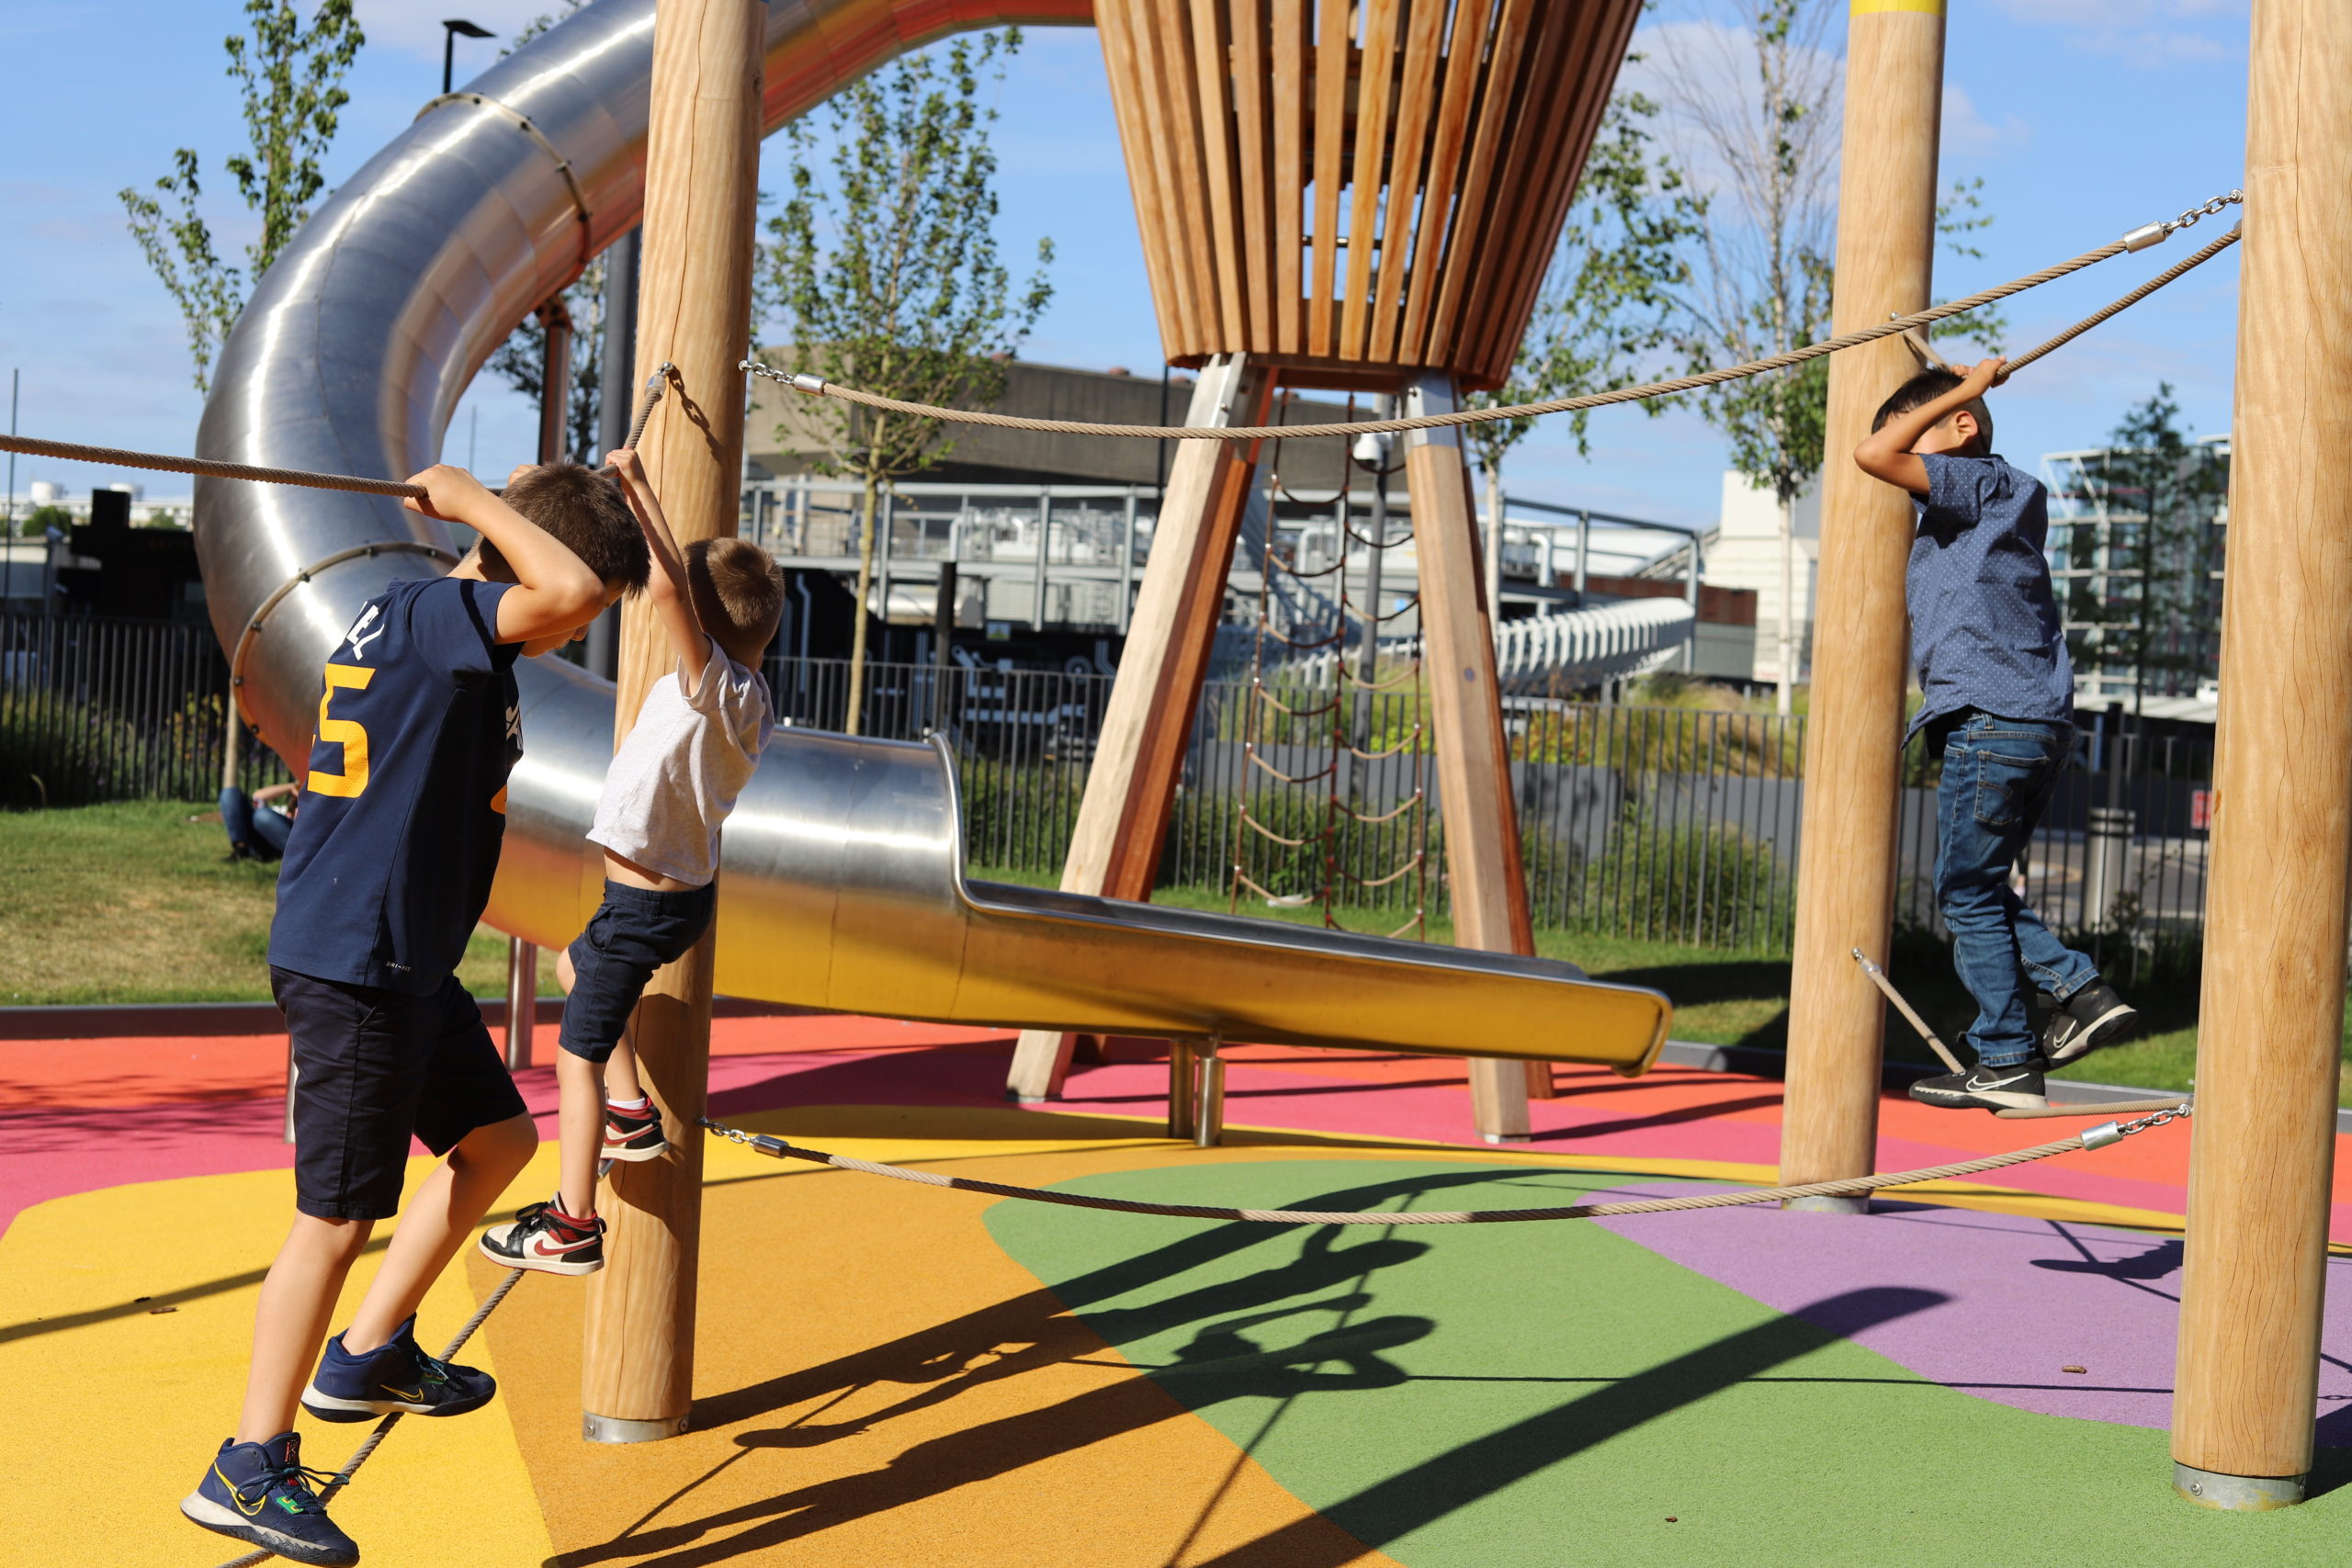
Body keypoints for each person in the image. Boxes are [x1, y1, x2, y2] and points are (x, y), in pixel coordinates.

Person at [180, 462, 650, 1567]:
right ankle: (247, 1463)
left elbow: (575, 579)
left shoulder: (429, 613)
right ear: (504, 555)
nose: (559, 638)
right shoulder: (449, 610)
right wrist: (481, 500)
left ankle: (370, 1352)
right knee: (335, 1218)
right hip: (356, 964)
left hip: (402, 957)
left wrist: (612, 497)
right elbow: (567, 591)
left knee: (498, 1140)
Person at [481, 447, 780, 1277]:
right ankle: (631, 1110)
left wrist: (640, 490)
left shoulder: (709, 687)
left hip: (645, 906)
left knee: (573, 1052)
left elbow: (674, 591)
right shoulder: (745, 695)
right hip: (665, 900)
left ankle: (574, 1223)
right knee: (574, 969)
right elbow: (686, 597)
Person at [1854, 357, 2138, 1113]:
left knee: (1966, 890)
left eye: (1926, 434)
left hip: (1991, 717)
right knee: (1979, 886)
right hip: (2036, 722)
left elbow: (1872, 452)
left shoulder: (1976, 481)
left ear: (1963, 426)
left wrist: (1961, 386)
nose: (1910, 458)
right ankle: (2060, 1010)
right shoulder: (1995, 501)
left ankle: (2023, 1040)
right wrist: (1950, 394)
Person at [220, 781, 299, 861]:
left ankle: (296, 855)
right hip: (256, 834)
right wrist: (294, 786)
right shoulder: (282, 807)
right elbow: (257, 795)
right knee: (230, 793)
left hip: (282, 838)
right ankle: (241, 848)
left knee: (262, 816)